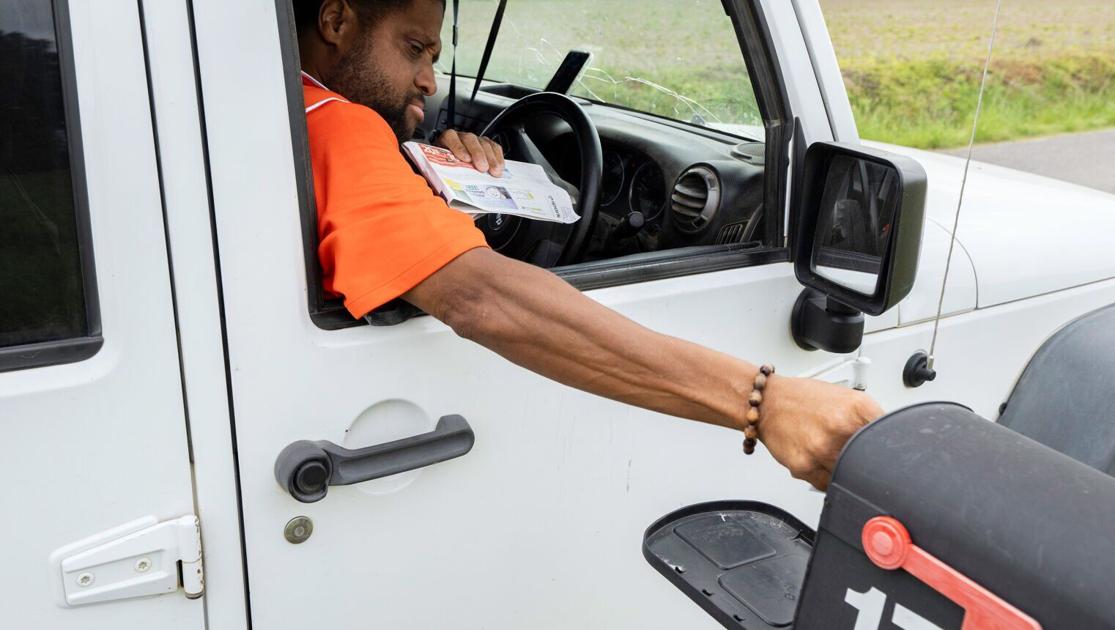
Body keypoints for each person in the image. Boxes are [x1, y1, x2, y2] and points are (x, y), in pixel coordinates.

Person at [294, 0, 883, 489]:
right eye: (413, 49)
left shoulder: (291, 112)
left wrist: (427, 172)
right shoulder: (338, 123)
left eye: (434, 58)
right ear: (337, 22)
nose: (429, 80)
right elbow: (480, 298)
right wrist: (765, 402)